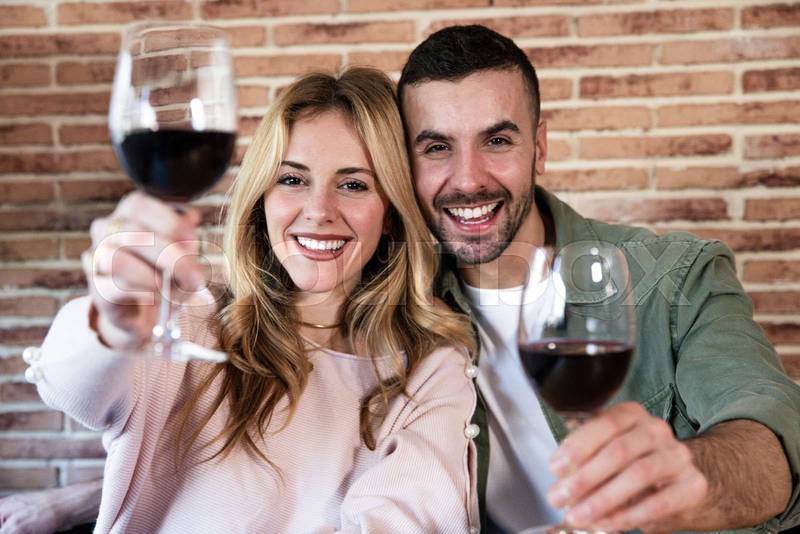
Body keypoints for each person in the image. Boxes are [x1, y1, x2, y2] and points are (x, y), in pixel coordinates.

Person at [20, 67, 480, 533]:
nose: (319, 211)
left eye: (354, 184)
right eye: (292, 180)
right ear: (262, 199)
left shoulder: (428, 371)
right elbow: (67, 387)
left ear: (391, 216)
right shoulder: (195, 322)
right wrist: (114, 326)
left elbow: (405, 521)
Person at [397, 25, 800, 532]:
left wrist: (690, 478)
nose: (469, 178)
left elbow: (770, 436)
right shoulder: (393, 302)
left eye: (497, 140)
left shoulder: (675, 277)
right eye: (436, 148)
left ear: (539, 148)